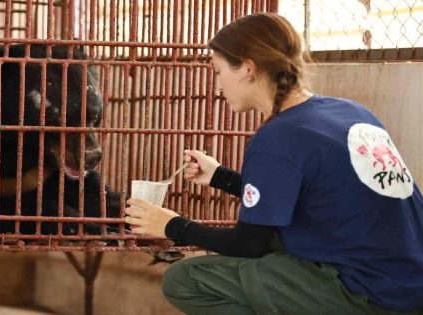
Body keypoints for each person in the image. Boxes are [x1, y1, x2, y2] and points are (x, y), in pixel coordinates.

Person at [125, 12, 423, 315]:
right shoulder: (347, 110)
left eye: (218, 71)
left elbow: (250, 242)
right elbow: (299, 195)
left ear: (248, 69)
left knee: (183, 280)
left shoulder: (277, 137)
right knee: (276, 249)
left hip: (370, 294)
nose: (218, 85)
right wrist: (221, 177)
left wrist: (173, 225)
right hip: (407, 279)